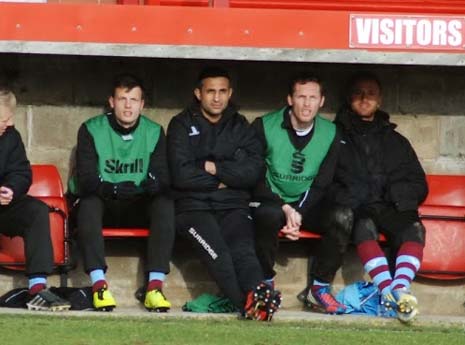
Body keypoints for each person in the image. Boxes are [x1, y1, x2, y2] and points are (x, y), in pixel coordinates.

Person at [167, 66, 281, 321]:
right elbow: (180, 175)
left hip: (232, 206)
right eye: (210, 91)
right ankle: (249, 305)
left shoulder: (240, 126)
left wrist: (213, 168)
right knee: (220, 254)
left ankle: (257, 293)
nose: (216, 98)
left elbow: (252, 171)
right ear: (198, 93)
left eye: (222, 91)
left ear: (229, 93)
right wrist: (225, 178)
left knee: (244, 251)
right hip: (193, 208)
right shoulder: (181, 124)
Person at [329, 72, 428, 322]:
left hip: (393, 206)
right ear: (349, 98)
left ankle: (400, 288)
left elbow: (420, 184)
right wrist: (351, 197)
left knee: (415, 228)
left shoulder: (397, 141)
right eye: (358, 93)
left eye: (371, 93)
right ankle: (387, 292)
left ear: (380, 100)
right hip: (359, 207)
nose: (364, 99)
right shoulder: (334, 137)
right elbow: (325, 183)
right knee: (363, 226)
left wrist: (399, 195)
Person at [72, 74, 175, 312]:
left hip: (137, 205)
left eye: (133, 100)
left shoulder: (154, 131)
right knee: (88, 203)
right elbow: (87, 180)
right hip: (105, 204)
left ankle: (155, 288)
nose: (128, 105)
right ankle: (99, 286)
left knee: (164, 203)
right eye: (122, 99)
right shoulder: (90, 129)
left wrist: (152, 184)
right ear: (112, 102)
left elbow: (164, 178)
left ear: (142, 104)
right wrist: (111, 187)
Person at [251, 73, 351, 314]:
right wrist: (285, 208)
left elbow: (322, 183)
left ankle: (320, 287)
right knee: (267, 215)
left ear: (322, 101)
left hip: (307, 203)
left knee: (343, 216)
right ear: (290, 99)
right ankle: (264, 282)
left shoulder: (332, 133)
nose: (307, 104)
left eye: (313, 98)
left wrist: (298, 212)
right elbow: (254, 177)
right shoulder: (263, 125)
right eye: (301, 97)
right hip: (270, 199)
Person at [0, 87, 71, 311]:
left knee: (37, 210)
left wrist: (11, 189)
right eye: (3, 118)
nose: (9, 123)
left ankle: (37, 287)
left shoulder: (11, 137)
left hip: (4, 207)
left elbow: (22, 172)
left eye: (10, 117)